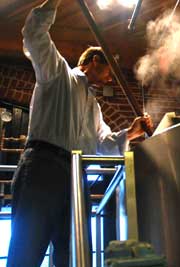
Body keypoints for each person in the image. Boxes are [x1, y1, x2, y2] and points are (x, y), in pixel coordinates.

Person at [6, 0, 153, 266]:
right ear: (94, 60)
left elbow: (102, 144)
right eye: (109, 71)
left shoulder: (94, 106)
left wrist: (130, 133)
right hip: (42, 168)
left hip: (76, 175)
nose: (110, 79)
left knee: (72, 255)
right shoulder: (59, 75)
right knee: (26, 252)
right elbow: (34, 34)